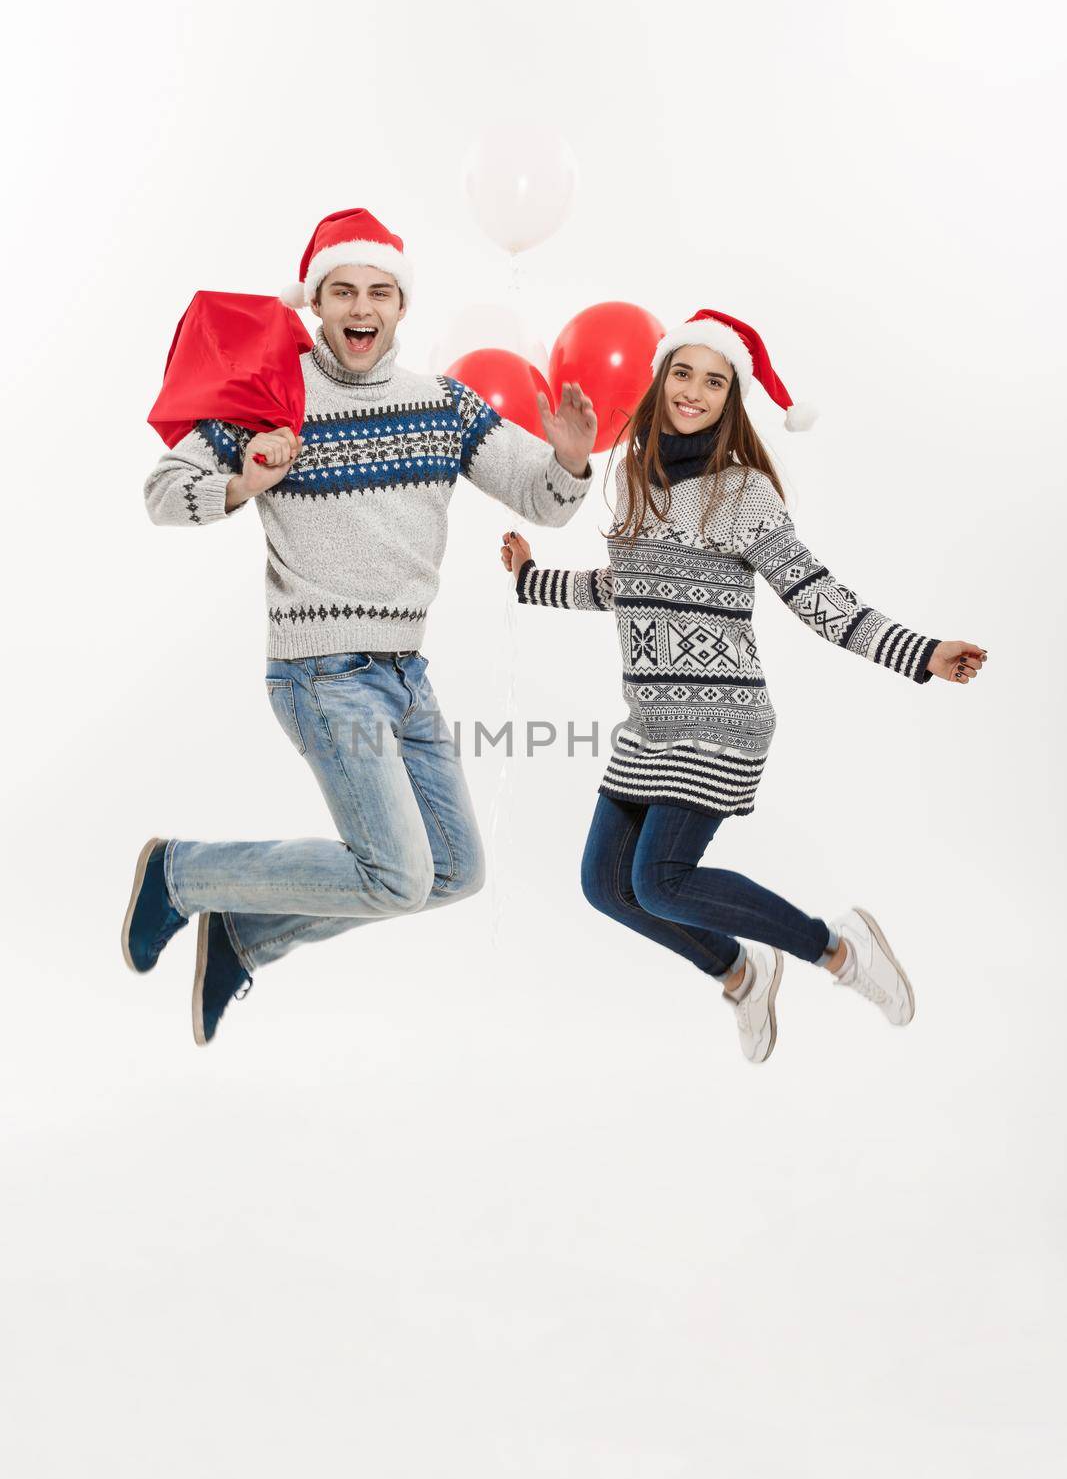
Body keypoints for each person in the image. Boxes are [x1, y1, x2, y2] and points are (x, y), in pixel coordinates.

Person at [122, 207, 597, 1045]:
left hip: (407, 678)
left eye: (378, 290)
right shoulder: (271, 400)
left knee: (452, 873)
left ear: (401, 307)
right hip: (321, 674)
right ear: (318, 304)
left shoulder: (443, 404)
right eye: (342, 291)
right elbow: (163, 493)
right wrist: (241, 483)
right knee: (396, 875)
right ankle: (182, 871)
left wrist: (565, 459)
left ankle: (246, 933)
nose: (360, 306)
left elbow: (541, 499)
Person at [500, 308, 986, 1064]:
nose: (693, 391)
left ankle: (839, 951)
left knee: (660, 881)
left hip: (721, 719)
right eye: (683, 373)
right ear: (661, 382)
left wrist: (919, 652)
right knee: (606, 886)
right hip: (650, 722)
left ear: (733, 398)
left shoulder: (742, 492)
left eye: (714, 380)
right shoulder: (635, 477)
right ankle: (738, 969)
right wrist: (532, 581)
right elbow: (627, 585)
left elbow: (818, 599)